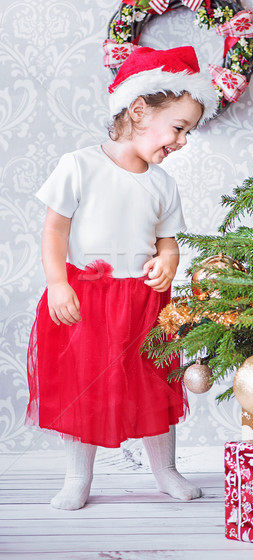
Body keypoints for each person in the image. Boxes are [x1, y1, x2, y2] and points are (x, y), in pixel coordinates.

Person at [26, 46, 218, 510]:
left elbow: (167, 240)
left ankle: (165, 469)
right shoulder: (80, 165)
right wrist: (57, 283)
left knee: (156, 384)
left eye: (188, 131)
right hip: (86, 298)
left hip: (144, 301)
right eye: (178, 128)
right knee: (82, 386)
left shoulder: (161, 183)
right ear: (138, 111)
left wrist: (168, 261)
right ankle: (78, 477)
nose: (183, 141)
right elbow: (54, 229)